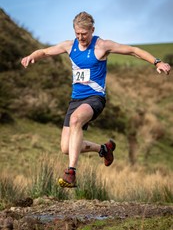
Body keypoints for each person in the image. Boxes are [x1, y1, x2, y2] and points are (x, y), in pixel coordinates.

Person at [21, 11, 171, 188]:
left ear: (92, 29)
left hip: (95, 99)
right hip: (75, 100)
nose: (80, 37)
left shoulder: (102, 46)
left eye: (84, 33)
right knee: (66, 148)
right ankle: (103, 149)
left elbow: (133, 51)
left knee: (76, 119)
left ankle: (71, 173)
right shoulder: (70, 46)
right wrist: (32, 56)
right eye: (77, 33)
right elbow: (45, 52)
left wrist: (157, 62)